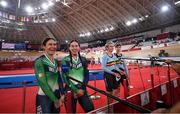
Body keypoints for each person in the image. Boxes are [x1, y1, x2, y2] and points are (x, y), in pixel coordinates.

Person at [61, 40, 94, 113]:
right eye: (72, 46)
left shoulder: (83, 59)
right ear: (69, 48)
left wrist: (82, 89)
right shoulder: (65, 60)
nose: (74, 48)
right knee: (71, 112)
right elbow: (65, 77)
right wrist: (75, 90)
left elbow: (86, 75)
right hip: (70, 89)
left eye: (76, 46)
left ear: (79, 47)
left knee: (91, 109)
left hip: (82, 88)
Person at [34, 38, 65, 113]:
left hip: (56, 95)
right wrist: (55, 100)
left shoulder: (56, 62)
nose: (53, 46)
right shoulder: (39, 61)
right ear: (44, 46)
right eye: (50, 44)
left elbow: (59, 79)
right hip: (44, 97)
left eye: (54, 44)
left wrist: (62, 94)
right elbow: (43, 83)